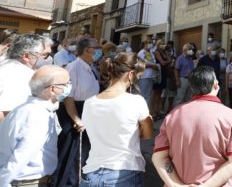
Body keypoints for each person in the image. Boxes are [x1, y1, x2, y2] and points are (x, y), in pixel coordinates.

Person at [153, 66, 232, 186]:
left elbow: (159, 157)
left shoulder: (172, 115)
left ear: (192, 88)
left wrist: (176, 185)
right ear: (216, 85)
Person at [80, 53, 153, 187]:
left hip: (90, 173)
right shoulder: (136, 101)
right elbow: (148, 134)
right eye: (138, 76)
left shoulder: (89, 102)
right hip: (124, 172)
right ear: (130, 74)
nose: (137, 80)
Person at [0, 65, 70, 187]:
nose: (69, 87)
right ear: (52, 89)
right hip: (27, 182)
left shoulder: (27, 109)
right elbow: (21, 156)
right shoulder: (37, 115)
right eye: (66, 84)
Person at [53, 38, 101, 187]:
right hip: (75, 113)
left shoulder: (90, 67)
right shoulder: (73, 68)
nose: (99, 50)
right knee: (71, 154)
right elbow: (69, 97)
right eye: (96, 47)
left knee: (83, 153)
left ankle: (77, 182)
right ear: (87, 50)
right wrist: (76, 119)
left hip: (88, 111)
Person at [0, 34, 46, 121]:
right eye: (43, 54)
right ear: (26, 56)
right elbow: (4, 112)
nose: (44, 59)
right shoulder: (19, 75)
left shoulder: (5, 64)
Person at [137, 40, 159, 111]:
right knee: (142, 95)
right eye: (149, 43)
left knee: (148, 96)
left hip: (151, 76)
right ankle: (139, 112)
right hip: (144, 76)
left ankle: (145, 112)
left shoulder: (151, 53)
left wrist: (155, 67)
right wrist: (152, 66)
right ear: (145, 44)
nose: (150, 44)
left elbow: (154, 63)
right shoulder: (141, 52)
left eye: (151, 43)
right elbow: (140, 64)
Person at [151, 40, 170, 119]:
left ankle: (158, 110)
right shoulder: (156, 52)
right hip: (159, 73)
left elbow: (168, 60)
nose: (163, 45)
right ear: (158, 45)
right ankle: (153, 111)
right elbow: (162, 62)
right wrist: (169, 61)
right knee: (156, 92)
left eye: (164, 43)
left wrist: (167, 55)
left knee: (160, 92)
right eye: (162, 44)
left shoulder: (164, 52)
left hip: (164, 73)